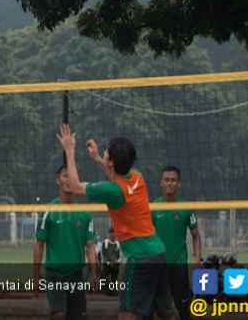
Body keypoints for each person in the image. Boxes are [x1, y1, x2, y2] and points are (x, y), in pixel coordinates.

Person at [57, 124, 174, 320]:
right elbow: (116, 175)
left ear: (111, 161)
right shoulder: (137, 176)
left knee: (127, 313)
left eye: (106, 152)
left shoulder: (113, 191)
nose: (103, 152)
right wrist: (96, 159)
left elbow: (75, 187)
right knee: (166, 313)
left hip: (141, 258)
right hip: (158, 253)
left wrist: (69, 150)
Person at [33, 165, 98, 320]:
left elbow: (90, 245)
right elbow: (39, 244)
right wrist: (35, 275)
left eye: (71, 176)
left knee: (79, 316)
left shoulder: (84, 213)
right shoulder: (48, 211)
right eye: (64, 176)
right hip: (55, 272)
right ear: (58, 180)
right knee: (60, 314)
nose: (68, 180)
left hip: (77, 274)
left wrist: (94, 273)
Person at [151, 166, 201, 320]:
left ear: (179, 183)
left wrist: (197, 258)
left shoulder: (186, 208)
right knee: (151, 308)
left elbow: (196, 235)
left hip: (178, 264)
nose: (170, 183)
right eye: (167, 180)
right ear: (161, 183)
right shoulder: (152, 207)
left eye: (173, 180)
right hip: (158, 264)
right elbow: (147, 236)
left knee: (183, 307)